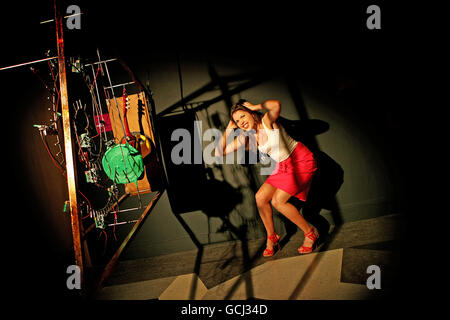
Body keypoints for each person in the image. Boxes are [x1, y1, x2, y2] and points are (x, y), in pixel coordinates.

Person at [215, 99, 318, 257]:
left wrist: (255, 107)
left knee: (278, 201)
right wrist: (229, 128)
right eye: (237, 120)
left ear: (251, 113)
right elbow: (218, 152)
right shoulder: (246, 137)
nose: (241, 122)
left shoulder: (266, 121)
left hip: (299, 162)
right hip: (283, 167)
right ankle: (272, 237)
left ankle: (310, 232)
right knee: (260, 198)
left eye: (243, 116)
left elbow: (276, 105)